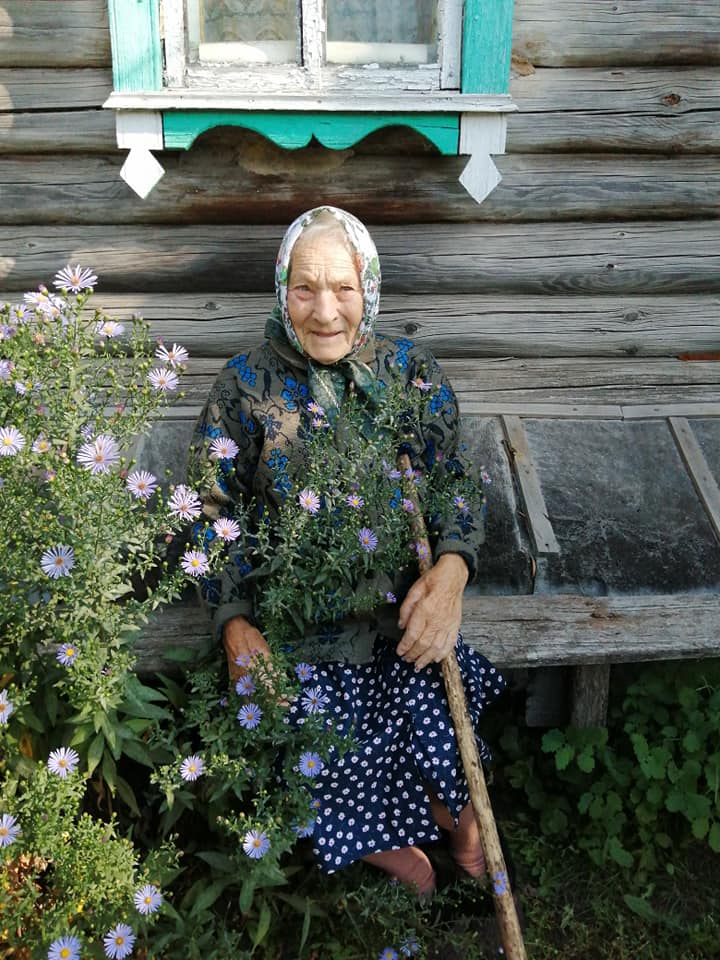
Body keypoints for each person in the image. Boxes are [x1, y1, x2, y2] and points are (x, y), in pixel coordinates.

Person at [192, 206, 505, 896]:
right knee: (311, 758)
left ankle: (449, 827)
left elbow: (455, 479)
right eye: (305, 288)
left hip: (402, 627)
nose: (326, 311)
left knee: (451, 768)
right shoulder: (244, 386)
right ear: (281, 290)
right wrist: (235, 621)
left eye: (344, 288)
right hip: (301, 636)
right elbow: (210, 514)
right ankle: (404, 856)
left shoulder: (407, 372)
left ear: (370, 288)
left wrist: (452, 571)